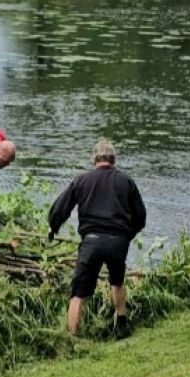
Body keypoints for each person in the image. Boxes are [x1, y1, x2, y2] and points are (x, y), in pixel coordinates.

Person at [48, 139, 147, 339]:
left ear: (94, 159)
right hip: (118, 241)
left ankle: (72, 337)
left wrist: (53, 227)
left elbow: (60, 208)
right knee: (117, 281)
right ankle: (121, 324)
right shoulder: (126, 181)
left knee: (78, 293)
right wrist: (128, 234)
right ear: (114, 159)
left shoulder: (81, 180)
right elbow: (140, 216)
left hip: (91, 241)